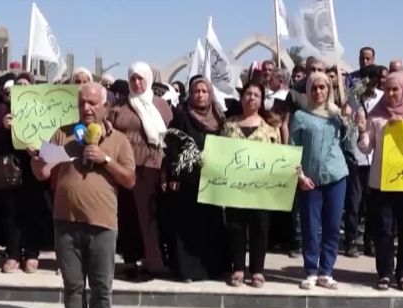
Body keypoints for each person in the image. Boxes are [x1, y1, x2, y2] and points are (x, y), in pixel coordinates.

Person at [32, 82, 136, 308]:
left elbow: (129, 180)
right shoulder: (63, 134)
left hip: (103, 223)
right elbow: (42, 172)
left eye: (92, 103)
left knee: (102, 285)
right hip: (66, 221)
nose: (86, 108)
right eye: (82, 103)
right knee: (73, 284)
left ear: (106, 106)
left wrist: (105, 159)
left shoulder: (119, 140)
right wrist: (37, 162)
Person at [355, 71, 403, 291]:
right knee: (383, 230)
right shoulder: (377, 114)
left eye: (396, 89)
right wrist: (361, 131)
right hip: (381, 183)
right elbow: (366, 147)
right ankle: (385, 272)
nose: (391, 93)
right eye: (387, 89)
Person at [290, 72, 356, 289]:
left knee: (332, 226)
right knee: (310, 225)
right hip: (310, 179)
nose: (319, 91)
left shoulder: (337, 115)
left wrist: (351, 122)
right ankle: (311, 269)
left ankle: (326, 271)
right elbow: (292, 149)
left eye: (323, 87)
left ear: (329, 89)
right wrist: (299, 176)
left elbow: (351, 145)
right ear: (308, 90)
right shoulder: (300, 116)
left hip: (336, 176)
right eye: (314, 87)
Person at [107, 62, 172, 281]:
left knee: (149, 215)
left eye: (140, 78)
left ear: (148, 80)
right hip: (125, 167)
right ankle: (131, 260)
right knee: (128, 214)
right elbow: (108, 130)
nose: (136, 83)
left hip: (152, 166)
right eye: (133, 79)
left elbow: (172, 136)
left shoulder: (161, 106)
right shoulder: (119, 106)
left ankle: (152, 261)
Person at [163, 77, 230, 282]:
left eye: (204, 91)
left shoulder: (219, 118)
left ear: (210, 94)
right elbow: (173, 146)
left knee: (211, 224)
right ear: (190, 95)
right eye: (196, 91)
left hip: (211, 180)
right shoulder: (182, 117)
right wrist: (174, 174)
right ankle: (187, 270)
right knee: (188, 227)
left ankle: (212, 269)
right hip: (188, 180)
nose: (200, 95)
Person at [221, 81, 282, 288]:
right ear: (241, 97)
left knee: (259, 228)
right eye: (248, 93)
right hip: (235, 188)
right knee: (236, 227)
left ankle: (257, 270)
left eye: (257, 95)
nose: (252, 98)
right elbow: (221, 154)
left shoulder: (270, 128)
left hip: (261, 189)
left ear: (262, 100)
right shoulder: (228, 125)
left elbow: (279, 157)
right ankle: (238, 268)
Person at [0, 73, 50, 273]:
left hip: (34, 169)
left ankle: (31, 253)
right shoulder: (3, 110)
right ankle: (13, 253)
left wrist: (36, 150)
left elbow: (49, 138)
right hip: (11, 170)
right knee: (11, 213)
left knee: (33, 212)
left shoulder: (42, 111)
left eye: (26, 84)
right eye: (19, 85)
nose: (22, 87)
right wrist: (4, 127)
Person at [344, 65, 386, 257]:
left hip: (375, 157)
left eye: (376, 79)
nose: (373, 82)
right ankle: (351, 240)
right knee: (354, 200)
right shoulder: (352, 96)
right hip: (357, 153)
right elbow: (345, 116)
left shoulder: (382, 97)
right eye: (369, 78)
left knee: (372, 203)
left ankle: (370, 240)